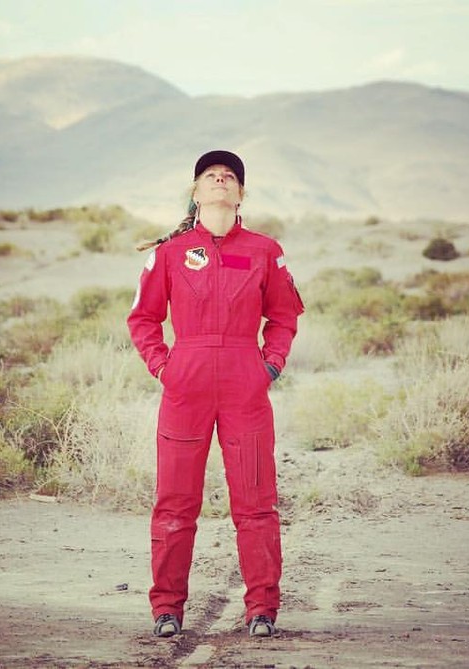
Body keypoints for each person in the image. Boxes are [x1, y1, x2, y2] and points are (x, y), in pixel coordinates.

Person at [127, 150, 304, 638]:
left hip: (246, 385)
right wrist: (164, 367)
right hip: (186, 385)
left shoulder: (265, 250)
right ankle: (166, 609)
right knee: (175, 502)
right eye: (211, 176)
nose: (221, 181)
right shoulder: (170, 252)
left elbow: (284, 316)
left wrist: (270, 364)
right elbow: (143, 318)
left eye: (229, 177)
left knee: (256, 501)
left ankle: (262, 609)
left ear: (241, 193)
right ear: (196, 191)